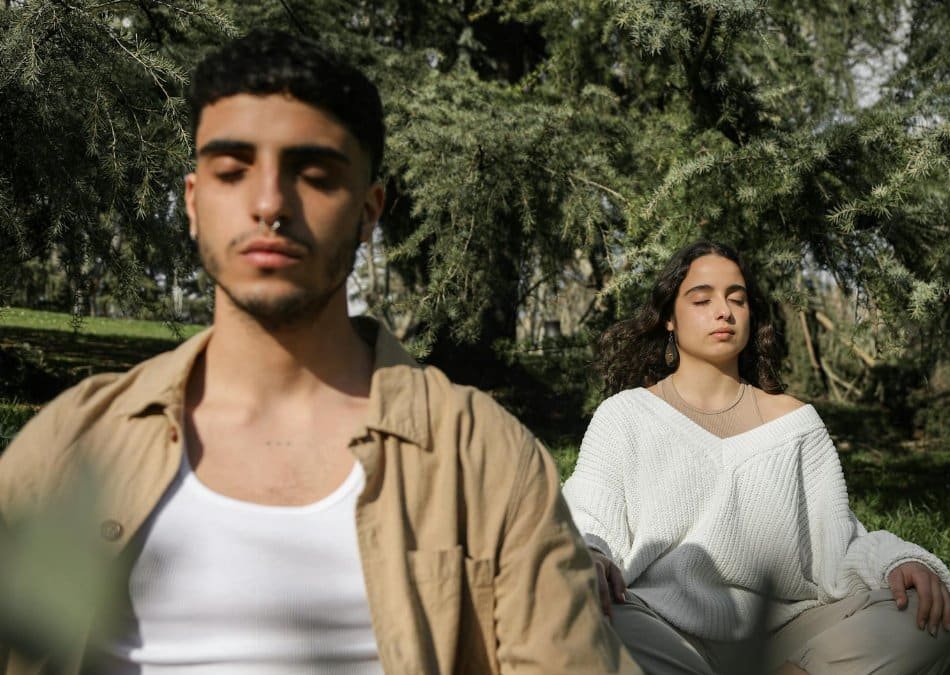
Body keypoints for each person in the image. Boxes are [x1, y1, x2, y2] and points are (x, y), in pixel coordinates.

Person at [0, 30, 637, 675]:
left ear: (368, 210)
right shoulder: (85, 444)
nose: (271, 203)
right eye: (232, 171)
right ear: (194, 204)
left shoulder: (481, 460)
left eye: (314, 175)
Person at [561, 241, 950, 675]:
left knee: (919, 617)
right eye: (702, 299)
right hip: (661, 628)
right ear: (670, 318)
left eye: (737, 298)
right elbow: (589, 517)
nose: (724, 312)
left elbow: (837, 540)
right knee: (576, 608)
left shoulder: (796, 423)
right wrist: (590, 555)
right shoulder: (625, 415)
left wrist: (898, 561)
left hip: (786, 637)